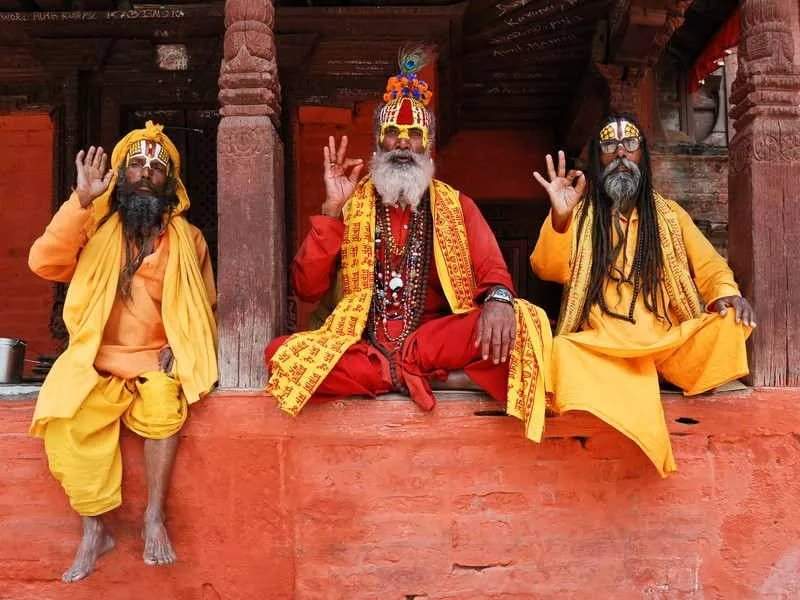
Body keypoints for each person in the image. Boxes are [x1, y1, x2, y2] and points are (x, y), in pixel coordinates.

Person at [266, 48, 551, 442]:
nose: (402, 143)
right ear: (378, 144)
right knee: (279, 356)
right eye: (392, 134)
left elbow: (493, 271)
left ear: (428, 147)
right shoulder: (351, 206)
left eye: (414, 135)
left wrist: (500, 301)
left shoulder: (456, 205)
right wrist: (331, 210)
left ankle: (410, 368)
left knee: (521, 324)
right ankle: (413, 375)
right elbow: (306, 288)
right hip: (364, 347)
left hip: (433, 342)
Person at [28, 121, 218, 582]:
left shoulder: (189, 239)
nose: (146, 172)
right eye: (136, 164)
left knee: (163, 405)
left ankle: (154, 516)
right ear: (120, 174)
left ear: (170, 182)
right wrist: (80, 201)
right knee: (65, 418)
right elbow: (44, 262)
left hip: (154, 359)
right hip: (96, 358)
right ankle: (95, 529)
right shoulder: (93, 225)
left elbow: (204, 305)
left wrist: (184, 342)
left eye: (157, 167)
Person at [531, 114, 754, 477]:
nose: (620, 153)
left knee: (731, 324)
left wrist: (725, 294)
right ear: (598, 158)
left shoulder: (669, 215)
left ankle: (652, 371)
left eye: (630, 144)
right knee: (560, 352)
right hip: (604, 345)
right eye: (610, 145)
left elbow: (710, 265)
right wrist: (560, 219)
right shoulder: (580, 215)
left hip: (667, 341)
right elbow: (547, 269)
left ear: (643, 156)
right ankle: (652, 376)